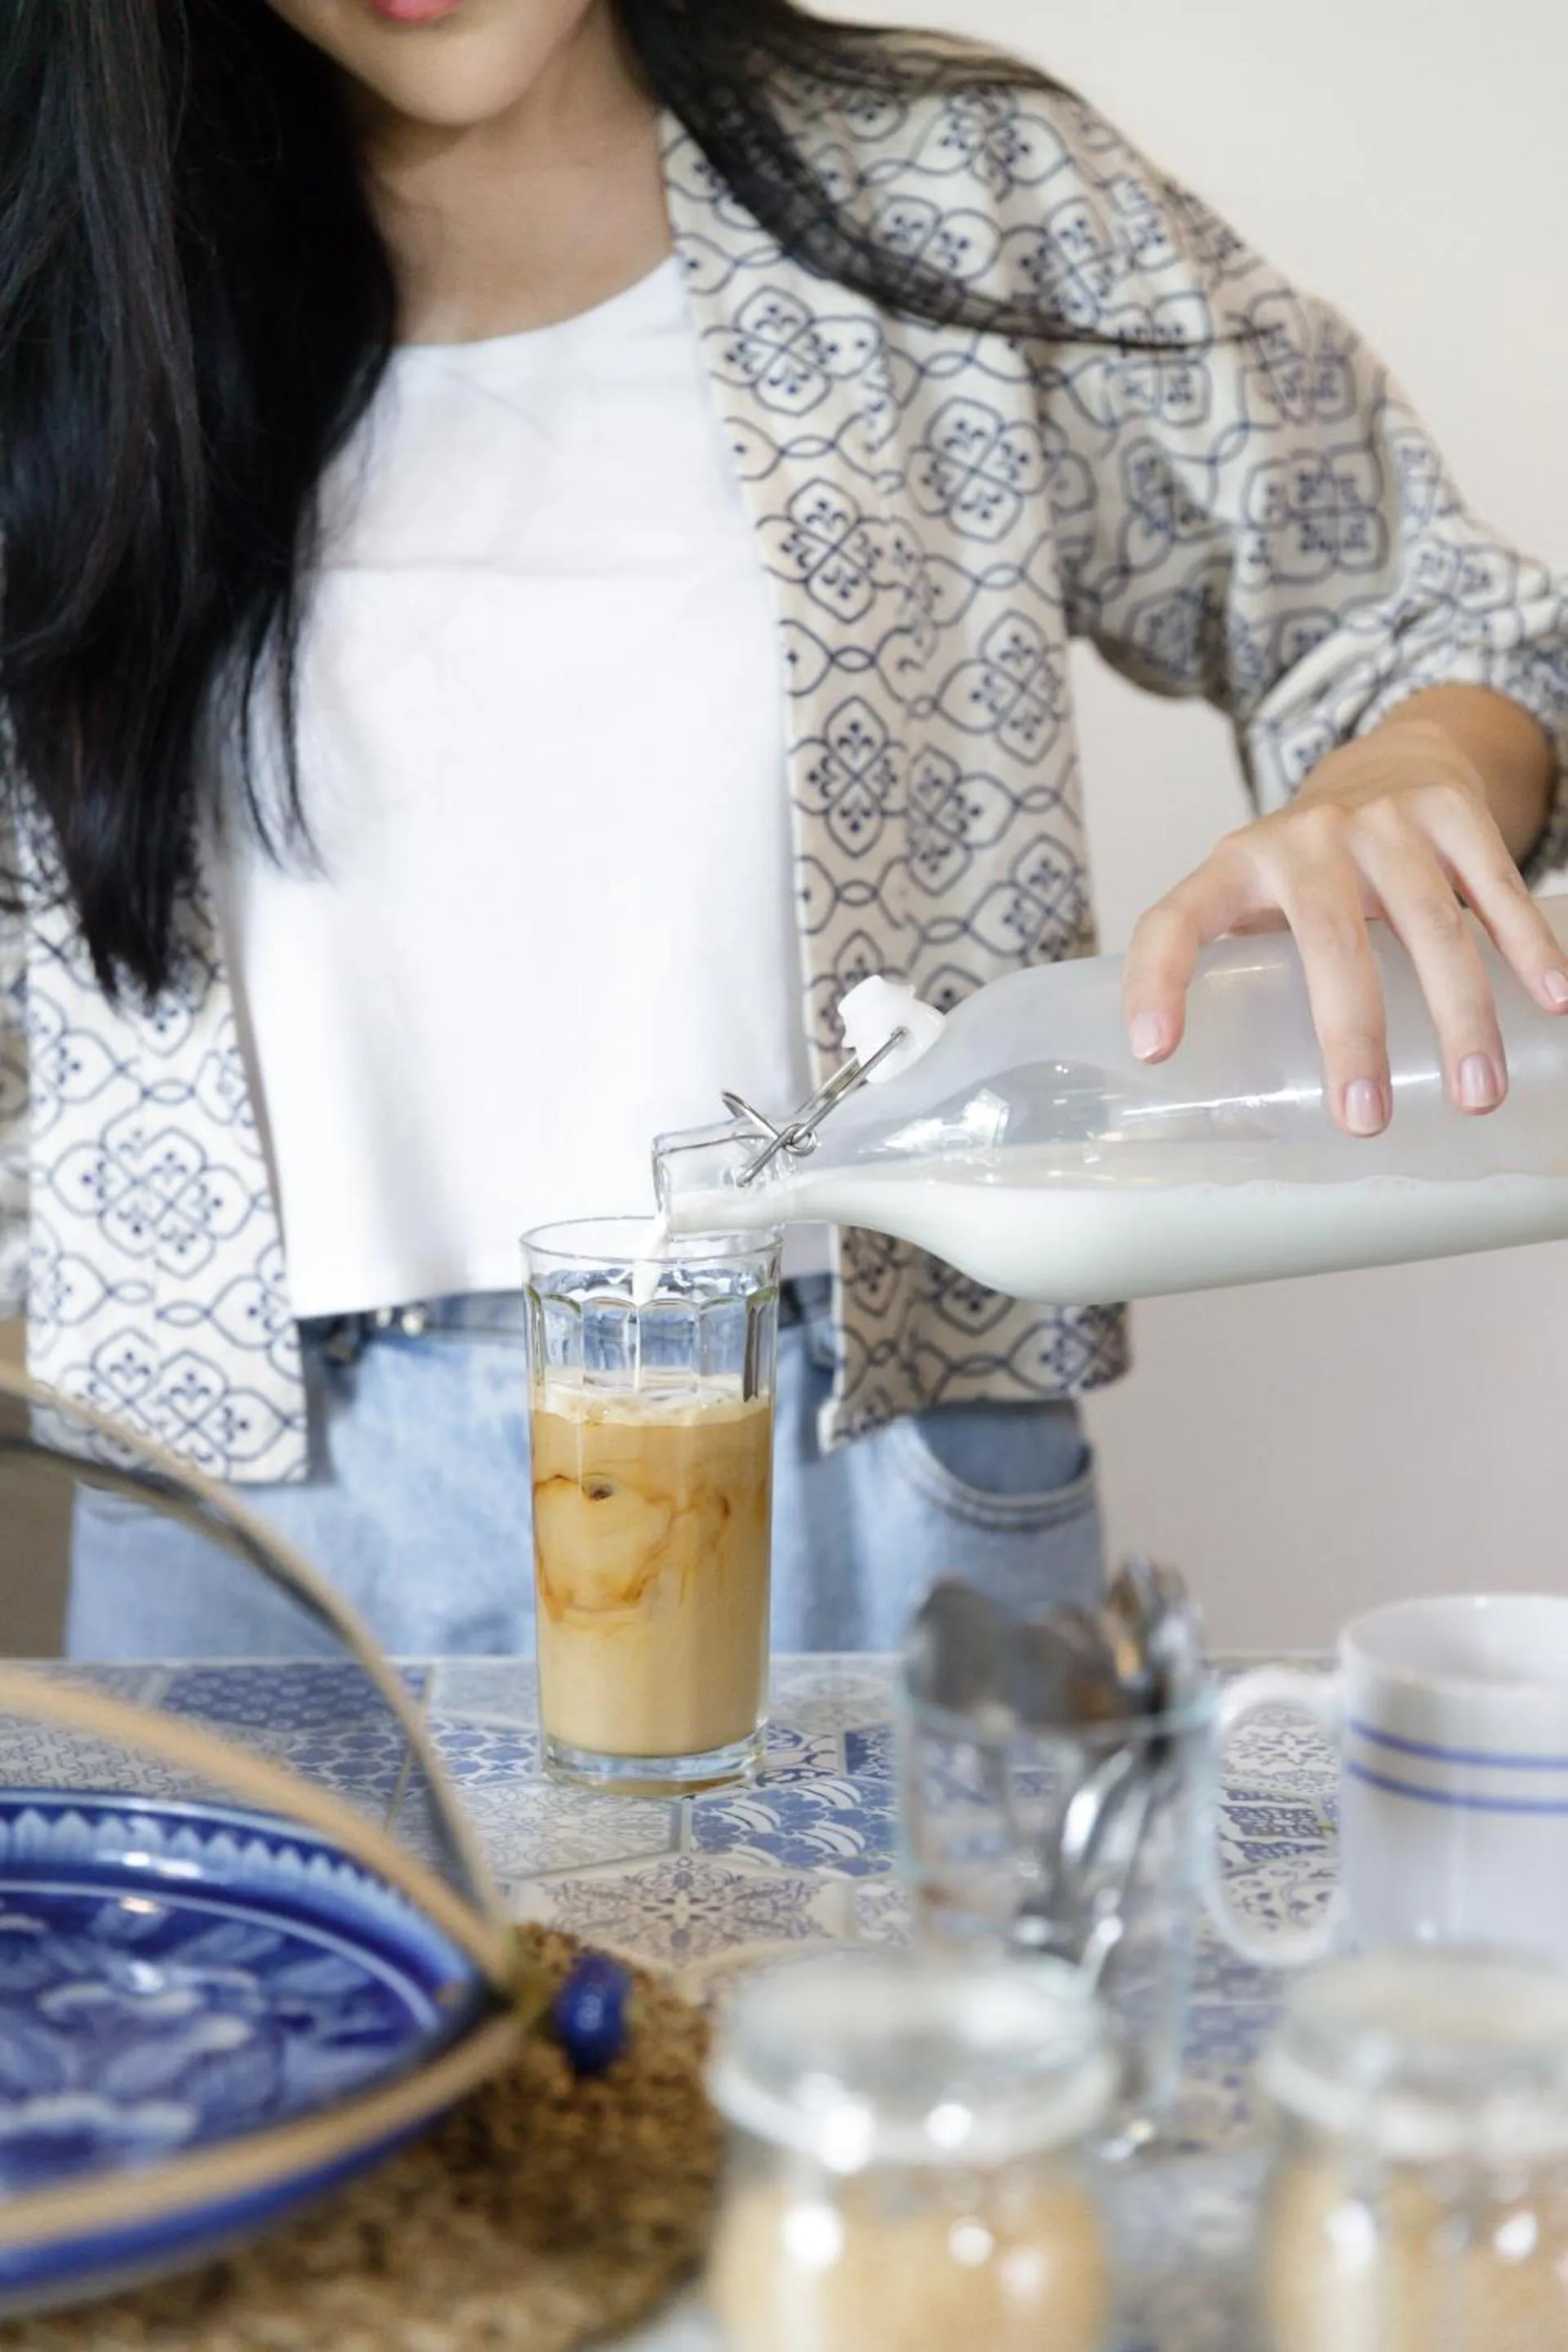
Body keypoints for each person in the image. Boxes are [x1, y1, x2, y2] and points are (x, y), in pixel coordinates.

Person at [2, 0, 1564, 1658]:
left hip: (865, 1484)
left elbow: (1440, 621)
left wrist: (1405, 775)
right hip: (236, 1540)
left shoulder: (962, 196)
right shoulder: (64, 290)